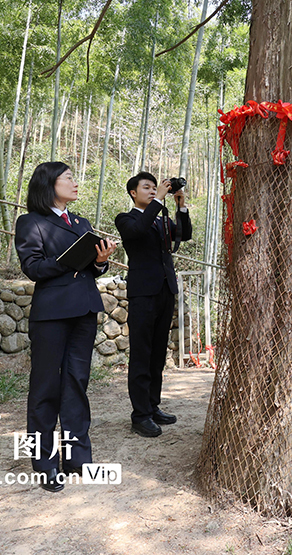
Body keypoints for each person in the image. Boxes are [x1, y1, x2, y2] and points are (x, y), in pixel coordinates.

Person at [14, 162, 117, 492]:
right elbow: (32, 267)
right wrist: (69, 259)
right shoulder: (31, 222)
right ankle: (45, 465)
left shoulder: (81, 222)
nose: (75, 183)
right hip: (52, 314)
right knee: (46, 388)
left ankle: (78, 459)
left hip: (84, 309)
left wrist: (99, 260)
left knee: (76, 384)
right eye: (68, 178)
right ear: (49, 184)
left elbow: (89, 269)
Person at [114, 172, 192, 438]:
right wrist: (159, 199)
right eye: (146, 187)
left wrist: (180, 205)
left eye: (154, 187)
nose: (152, 190)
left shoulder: (160, 220)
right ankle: (140, 415)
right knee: (142, 354)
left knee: (158, 354)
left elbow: (185, 234)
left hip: (165, 291)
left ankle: (153, 406)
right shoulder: (126, 219)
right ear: (133, 193)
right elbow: (137, 231)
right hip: (143, 294)